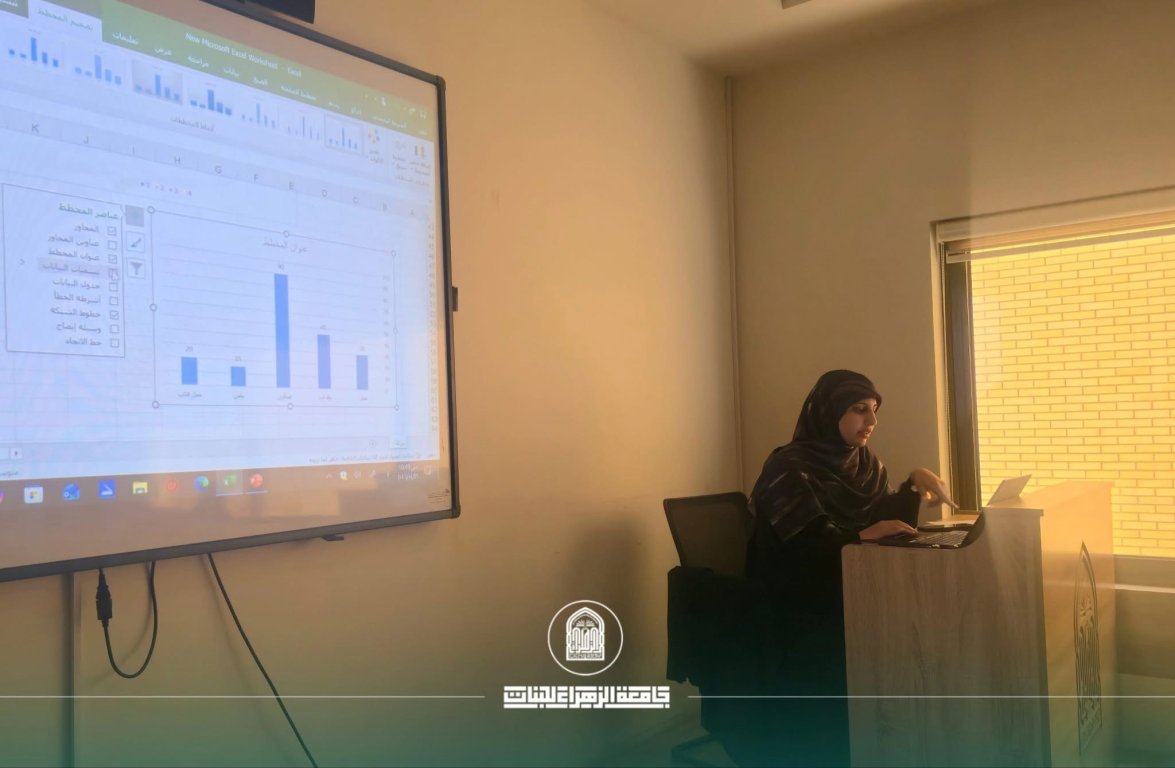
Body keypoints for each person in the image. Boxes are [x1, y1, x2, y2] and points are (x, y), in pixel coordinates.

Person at [731, 369, 955, 767]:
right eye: (859, 409)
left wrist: (912, 483)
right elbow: (801, 545)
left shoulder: (865, 464)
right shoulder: (788, 466)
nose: (872, 421)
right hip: (797, 601)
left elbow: (883, 522)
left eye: (874, 410)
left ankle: (883, 741)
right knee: (878, 645)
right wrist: (859, 535)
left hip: (846, 586)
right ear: (829, 411)